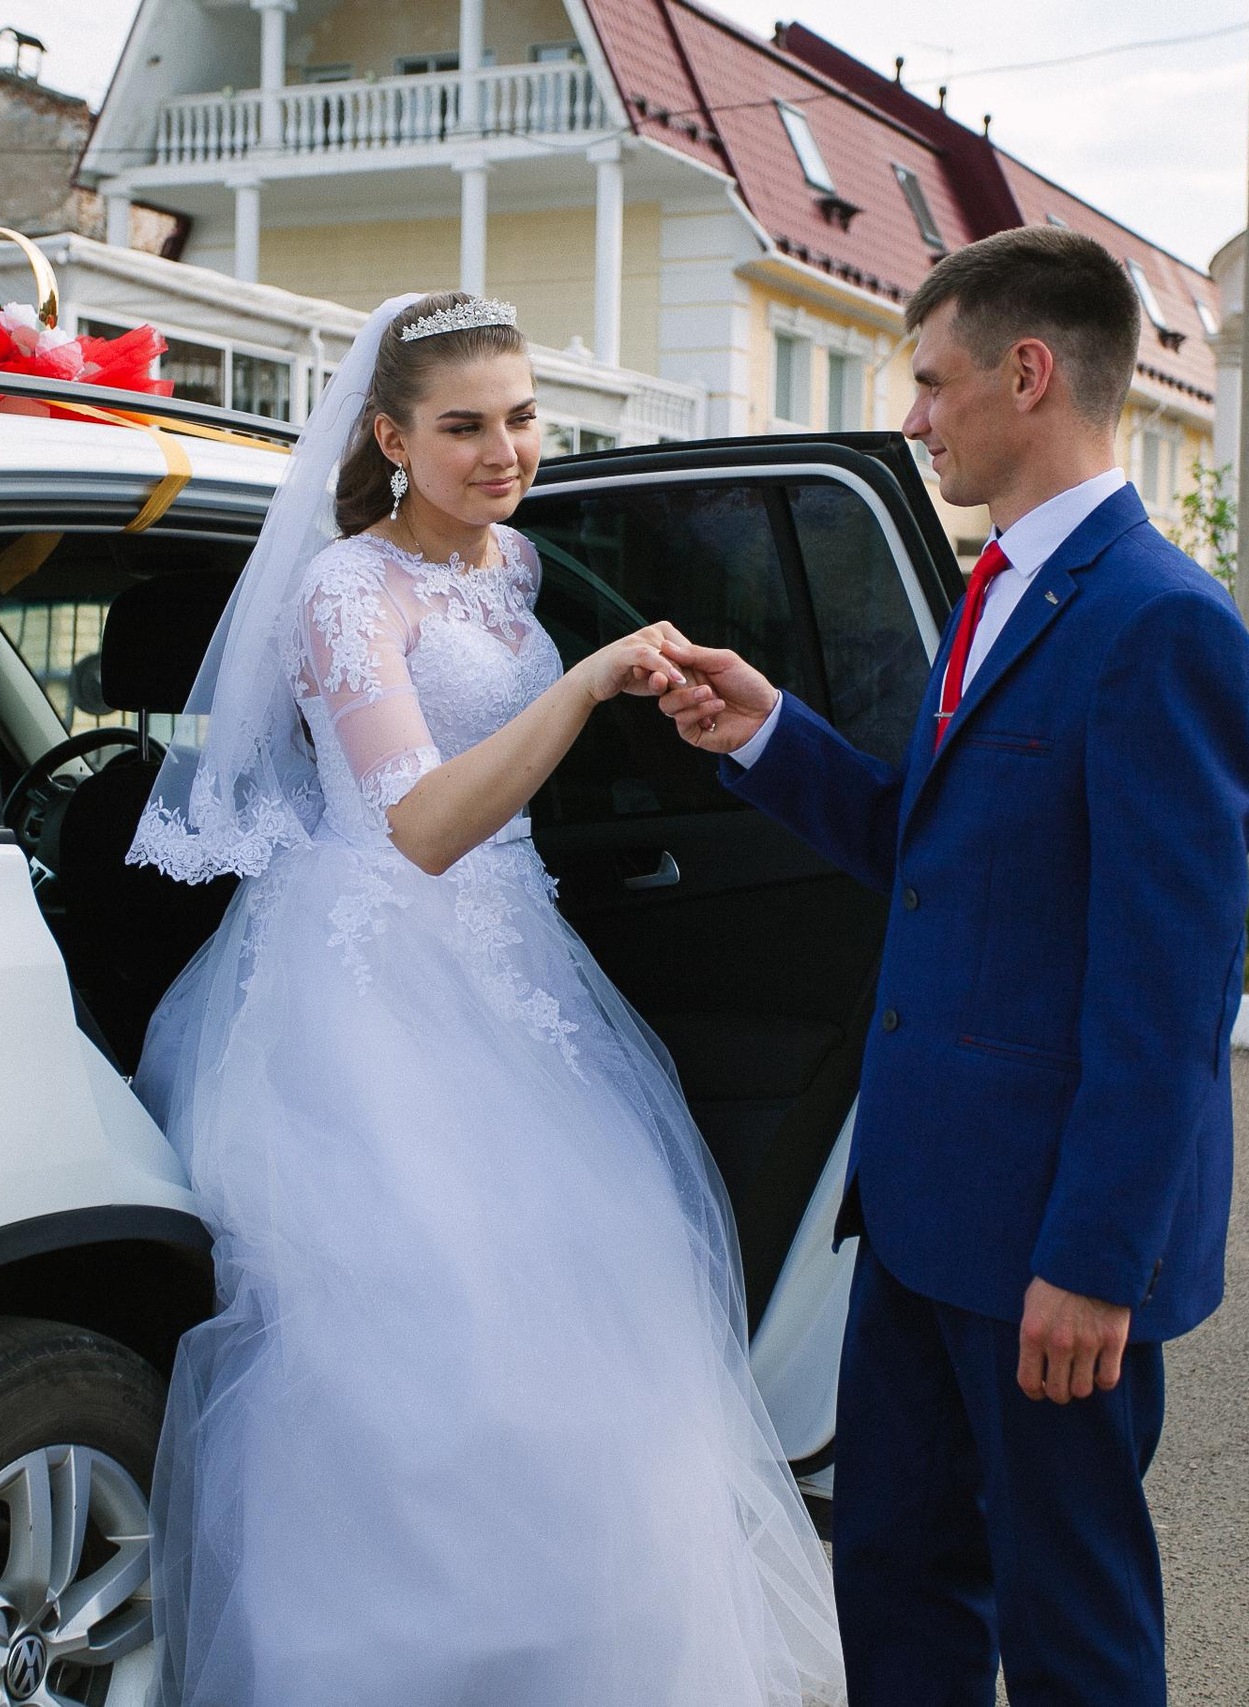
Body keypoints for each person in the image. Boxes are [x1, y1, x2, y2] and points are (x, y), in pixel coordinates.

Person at [127, 291, 843, 1707]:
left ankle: (578, 1653)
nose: (503, 448)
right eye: (462, 425)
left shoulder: (510, 565)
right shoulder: (347, 590)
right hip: (372, 989)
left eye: (521, 415)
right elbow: (416, 826)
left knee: (591, 1317)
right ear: (390, 435)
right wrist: (581, 687)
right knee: (416, 1341)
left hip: (517, 965)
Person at [658, 227, 1249, 1705]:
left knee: (1071, 1624)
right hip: (925, 1213)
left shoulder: (1162, 628)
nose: (915, 416)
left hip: (1050, 1245)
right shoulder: (995, 586)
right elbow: (940, 859)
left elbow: (1168, 996)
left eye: (932, 382)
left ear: (1031, 371)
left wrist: (1093, 1259)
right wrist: (768, 735)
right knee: (895, 1572)